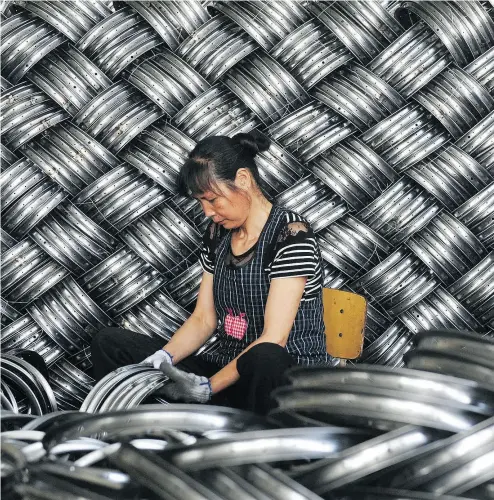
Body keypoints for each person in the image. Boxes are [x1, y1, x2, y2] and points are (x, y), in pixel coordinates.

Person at [91, 131, 332, 415]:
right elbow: (204, 318)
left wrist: (207, 388)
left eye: (213, 200)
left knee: (265, 356)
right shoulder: (218, 234)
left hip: (281, 383)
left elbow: (273, 338)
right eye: (200, 203)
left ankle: (255, 447)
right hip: (228, 377)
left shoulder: (292, 235)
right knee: (109, 343)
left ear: (243, 179)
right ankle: (147, 439)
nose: (208, 212)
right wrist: (158, 361)